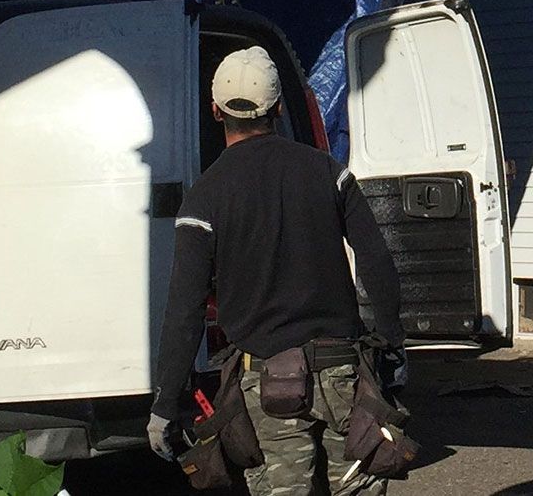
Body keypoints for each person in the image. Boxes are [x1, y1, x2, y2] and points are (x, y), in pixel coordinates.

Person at [150, 48, 405, 495]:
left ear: (215, 111)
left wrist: (166, 403)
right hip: (345, 377)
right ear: (279, 108)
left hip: (268, 389)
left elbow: (185, 309)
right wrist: (392, 351)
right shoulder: (329, 173)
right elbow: (377, 262)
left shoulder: (204, 199)